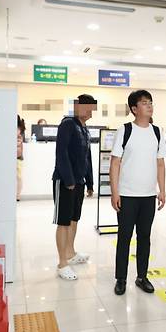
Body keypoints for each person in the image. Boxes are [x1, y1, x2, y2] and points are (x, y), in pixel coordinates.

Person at [110, 90, 166, 295]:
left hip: (148, 195)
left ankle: (142, 276)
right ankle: (121, 278)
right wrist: (114, 192)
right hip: (127, 194)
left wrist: (162, 190)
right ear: (134, 109)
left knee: (145, 236)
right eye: (144, 103)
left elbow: (160, 163)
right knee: (124, 237)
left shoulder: (158, 132)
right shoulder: (125, 130)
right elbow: (115, 163)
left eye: (150, 102)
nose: (149, 106)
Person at [52, 94, 96, 281]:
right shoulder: (68, 124)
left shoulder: (84, 128)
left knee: (74, 218)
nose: (89, 111)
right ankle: (62, 263)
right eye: (86, 107)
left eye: (91, 108)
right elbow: (60, 153)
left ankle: (70, 252)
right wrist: (69, 179)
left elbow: (88, 158)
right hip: (64, 181)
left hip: (79, 182)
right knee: (63, 221)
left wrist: (90, 182)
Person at [17, 115, 25, 201]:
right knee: (17, 177)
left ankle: (17, 195)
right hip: (17, 156)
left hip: (17, 157)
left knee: (18, 177)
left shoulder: (18, 130)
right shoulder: (19, 129)